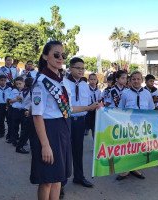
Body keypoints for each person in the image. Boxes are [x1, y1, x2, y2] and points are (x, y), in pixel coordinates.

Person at [30, 41, 98, 200]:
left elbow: (68, 108)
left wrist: (90, 107)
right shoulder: (41, 82)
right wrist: (45, 145)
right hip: (48, 131)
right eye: (56, 54)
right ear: (45, 56)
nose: (60, 58)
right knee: (47, 180)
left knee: (58, 178)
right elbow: (37, 115)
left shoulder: (61, 81)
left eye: (63, 55)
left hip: (63, 128)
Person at [116, 71, 155, 180]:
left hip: (143, 126)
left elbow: (151, 109)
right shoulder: (125, 93)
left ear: (142, 80)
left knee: (139, 148)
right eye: (134, 79)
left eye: (138, 79)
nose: (136, 81)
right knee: (128, 147)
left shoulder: (147, 94)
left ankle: (136, 168)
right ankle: (125, 170)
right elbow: (120, 109)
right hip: (129, 125)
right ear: (130, 80)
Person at [66, 57, 94, 188]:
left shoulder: (84, 85)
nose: (81, 71)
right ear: (70, 68)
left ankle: (79, 176)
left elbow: (87, 103)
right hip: (67, 121)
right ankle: (61, 182)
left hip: (80, 121)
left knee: (78, 150)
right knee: (65, 151)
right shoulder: (63, 83)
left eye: (83, 68)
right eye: (78, 68)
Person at [16, 77, 34, 154]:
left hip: (25, 111)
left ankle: (22, 145)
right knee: (27, 131)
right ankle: (19, 147)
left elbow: (20, 99)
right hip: (28, 112)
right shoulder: (31, 91)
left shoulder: (24, 91)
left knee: (26, 130)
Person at [8, 76, 26, 147]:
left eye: (20, 83)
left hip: (24, 111)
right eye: (17, 84)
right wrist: (16, 99)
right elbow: (10, 101)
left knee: (24, 127)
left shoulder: (27, 91)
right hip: (15, 110)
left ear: (24, 83)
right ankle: (14, 140)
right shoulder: (13, 91)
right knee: (14, 126)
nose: (18, 85)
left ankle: (22, 141)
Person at [85, 73, 102, 137]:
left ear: (97, 80)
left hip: (96, 110)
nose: (93, 81)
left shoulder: (98, 91)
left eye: (94, 79)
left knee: (95, 127)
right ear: (88, 80)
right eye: (91, 79)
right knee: (87, 121)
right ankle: (86, 128)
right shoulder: (86, 89)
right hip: (88, 109)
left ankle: (94, 137)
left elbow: (100, 100)